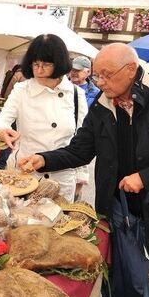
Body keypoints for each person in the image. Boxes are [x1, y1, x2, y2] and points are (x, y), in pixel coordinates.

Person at [18, 43, 149, 297]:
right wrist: (43, 159)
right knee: (123, 286)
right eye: (97, 76)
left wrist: (146, 177)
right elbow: (80, 150)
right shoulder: (102, 104)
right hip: (121, 214)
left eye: (107, 75)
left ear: (131, 70)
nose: (100, 82)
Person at [0, 34, 87, 201]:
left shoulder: (77, 94)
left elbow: (82, 140)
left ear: (59, 63)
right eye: (35, 64)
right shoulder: (22, 90)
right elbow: (2, 119)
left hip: (61, 180)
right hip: (24, 175)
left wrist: (81, 178)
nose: (39, 70)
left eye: (46, 64)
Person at [68, 55, 98, 201]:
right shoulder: (62, 88)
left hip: (83, 139)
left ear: (87, 72)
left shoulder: (96, 93)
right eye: (72, 69)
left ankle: (74, 203)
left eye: (78, 70)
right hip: (64, 136)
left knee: (79, 177)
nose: (73, 72)